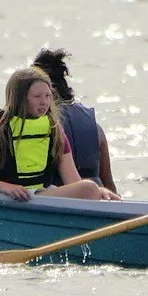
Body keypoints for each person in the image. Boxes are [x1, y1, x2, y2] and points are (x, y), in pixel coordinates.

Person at [0, 67, 115, 202]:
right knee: (89, 188)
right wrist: (4, 187)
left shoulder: (53, 128)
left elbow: (73, 182)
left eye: (48, 96)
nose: (44, 102)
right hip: (6, 196)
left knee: (89, 188)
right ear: (20, 98)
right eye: (37, 97)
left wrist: (97, 192)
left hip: (38, 195)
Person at [30, 47, 116, 196]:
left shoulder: (39, 125)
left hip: (59, 200)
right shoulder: (96, 129)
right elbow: (109, 186)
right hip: (98, 200)